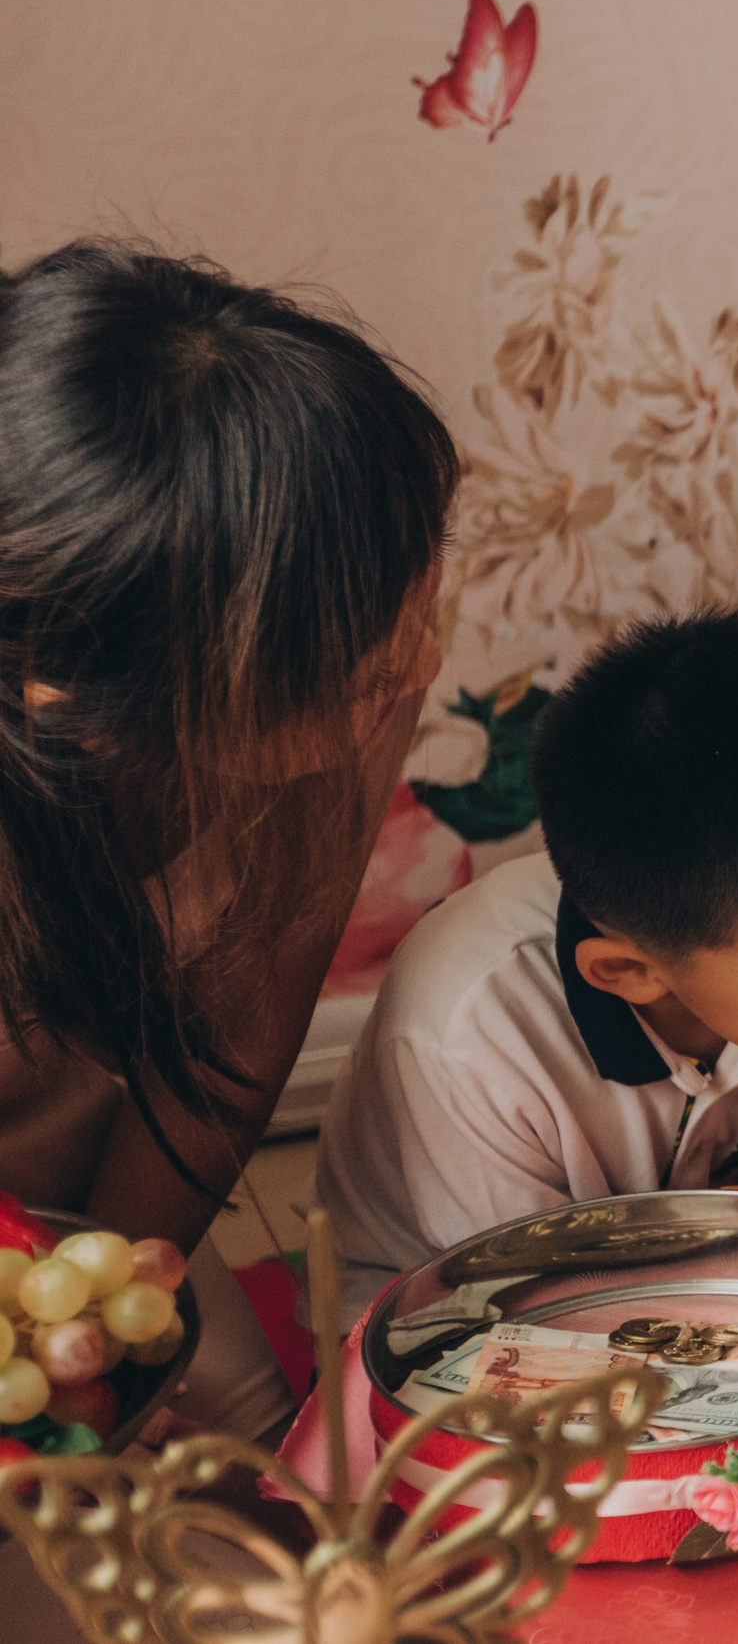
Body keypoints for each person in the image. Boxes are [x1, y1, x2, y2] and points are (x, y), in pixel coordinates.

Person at [0, 241, 453, 1440]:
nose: (416, 664)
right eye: (359, 675)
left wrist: (110, 1321)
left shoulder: (348, 616)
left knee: (278, 1536)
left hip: (104, 1243)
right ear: (81, 711)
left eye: (419, 598)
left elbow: (233, 1047)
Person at [307, 607, 738, 1302]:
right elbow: (519, 1306)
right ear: (629, 972)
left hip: (676, 1257)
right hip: (447, 1308)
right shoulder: (474, 1044)